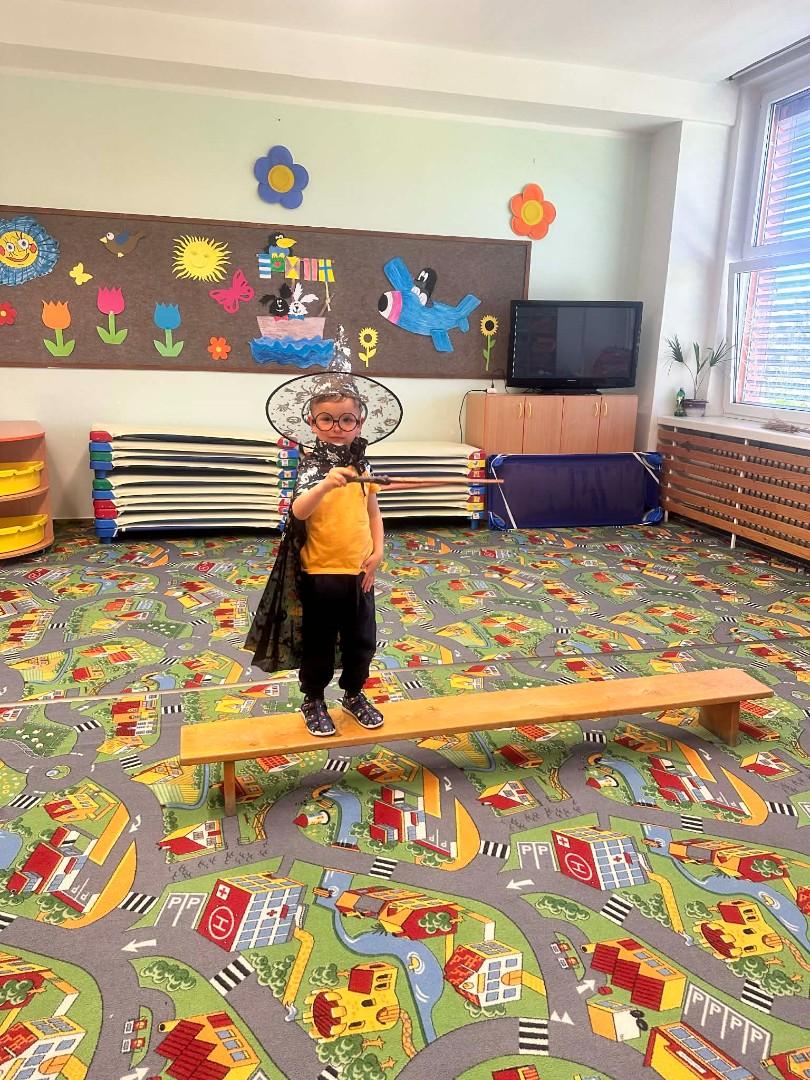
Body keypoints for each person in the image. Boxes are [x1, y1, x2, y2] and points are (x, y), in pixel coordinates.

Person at [245, 328, 403, 738]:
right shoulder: (312, 466)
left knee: (361, 640)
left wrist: (378, 552)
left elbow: (373, 511)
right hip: (320, 572)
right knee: (319, 640)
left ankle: (353, 693)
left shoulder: (362, 465)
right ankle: (313, 699)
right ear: (312, 423)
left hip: (360, 570)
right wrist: (325, 485)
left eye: (346, 419)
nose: (337, 426)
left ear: (359, 422)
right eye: (327, 419)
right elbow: (298, 511)